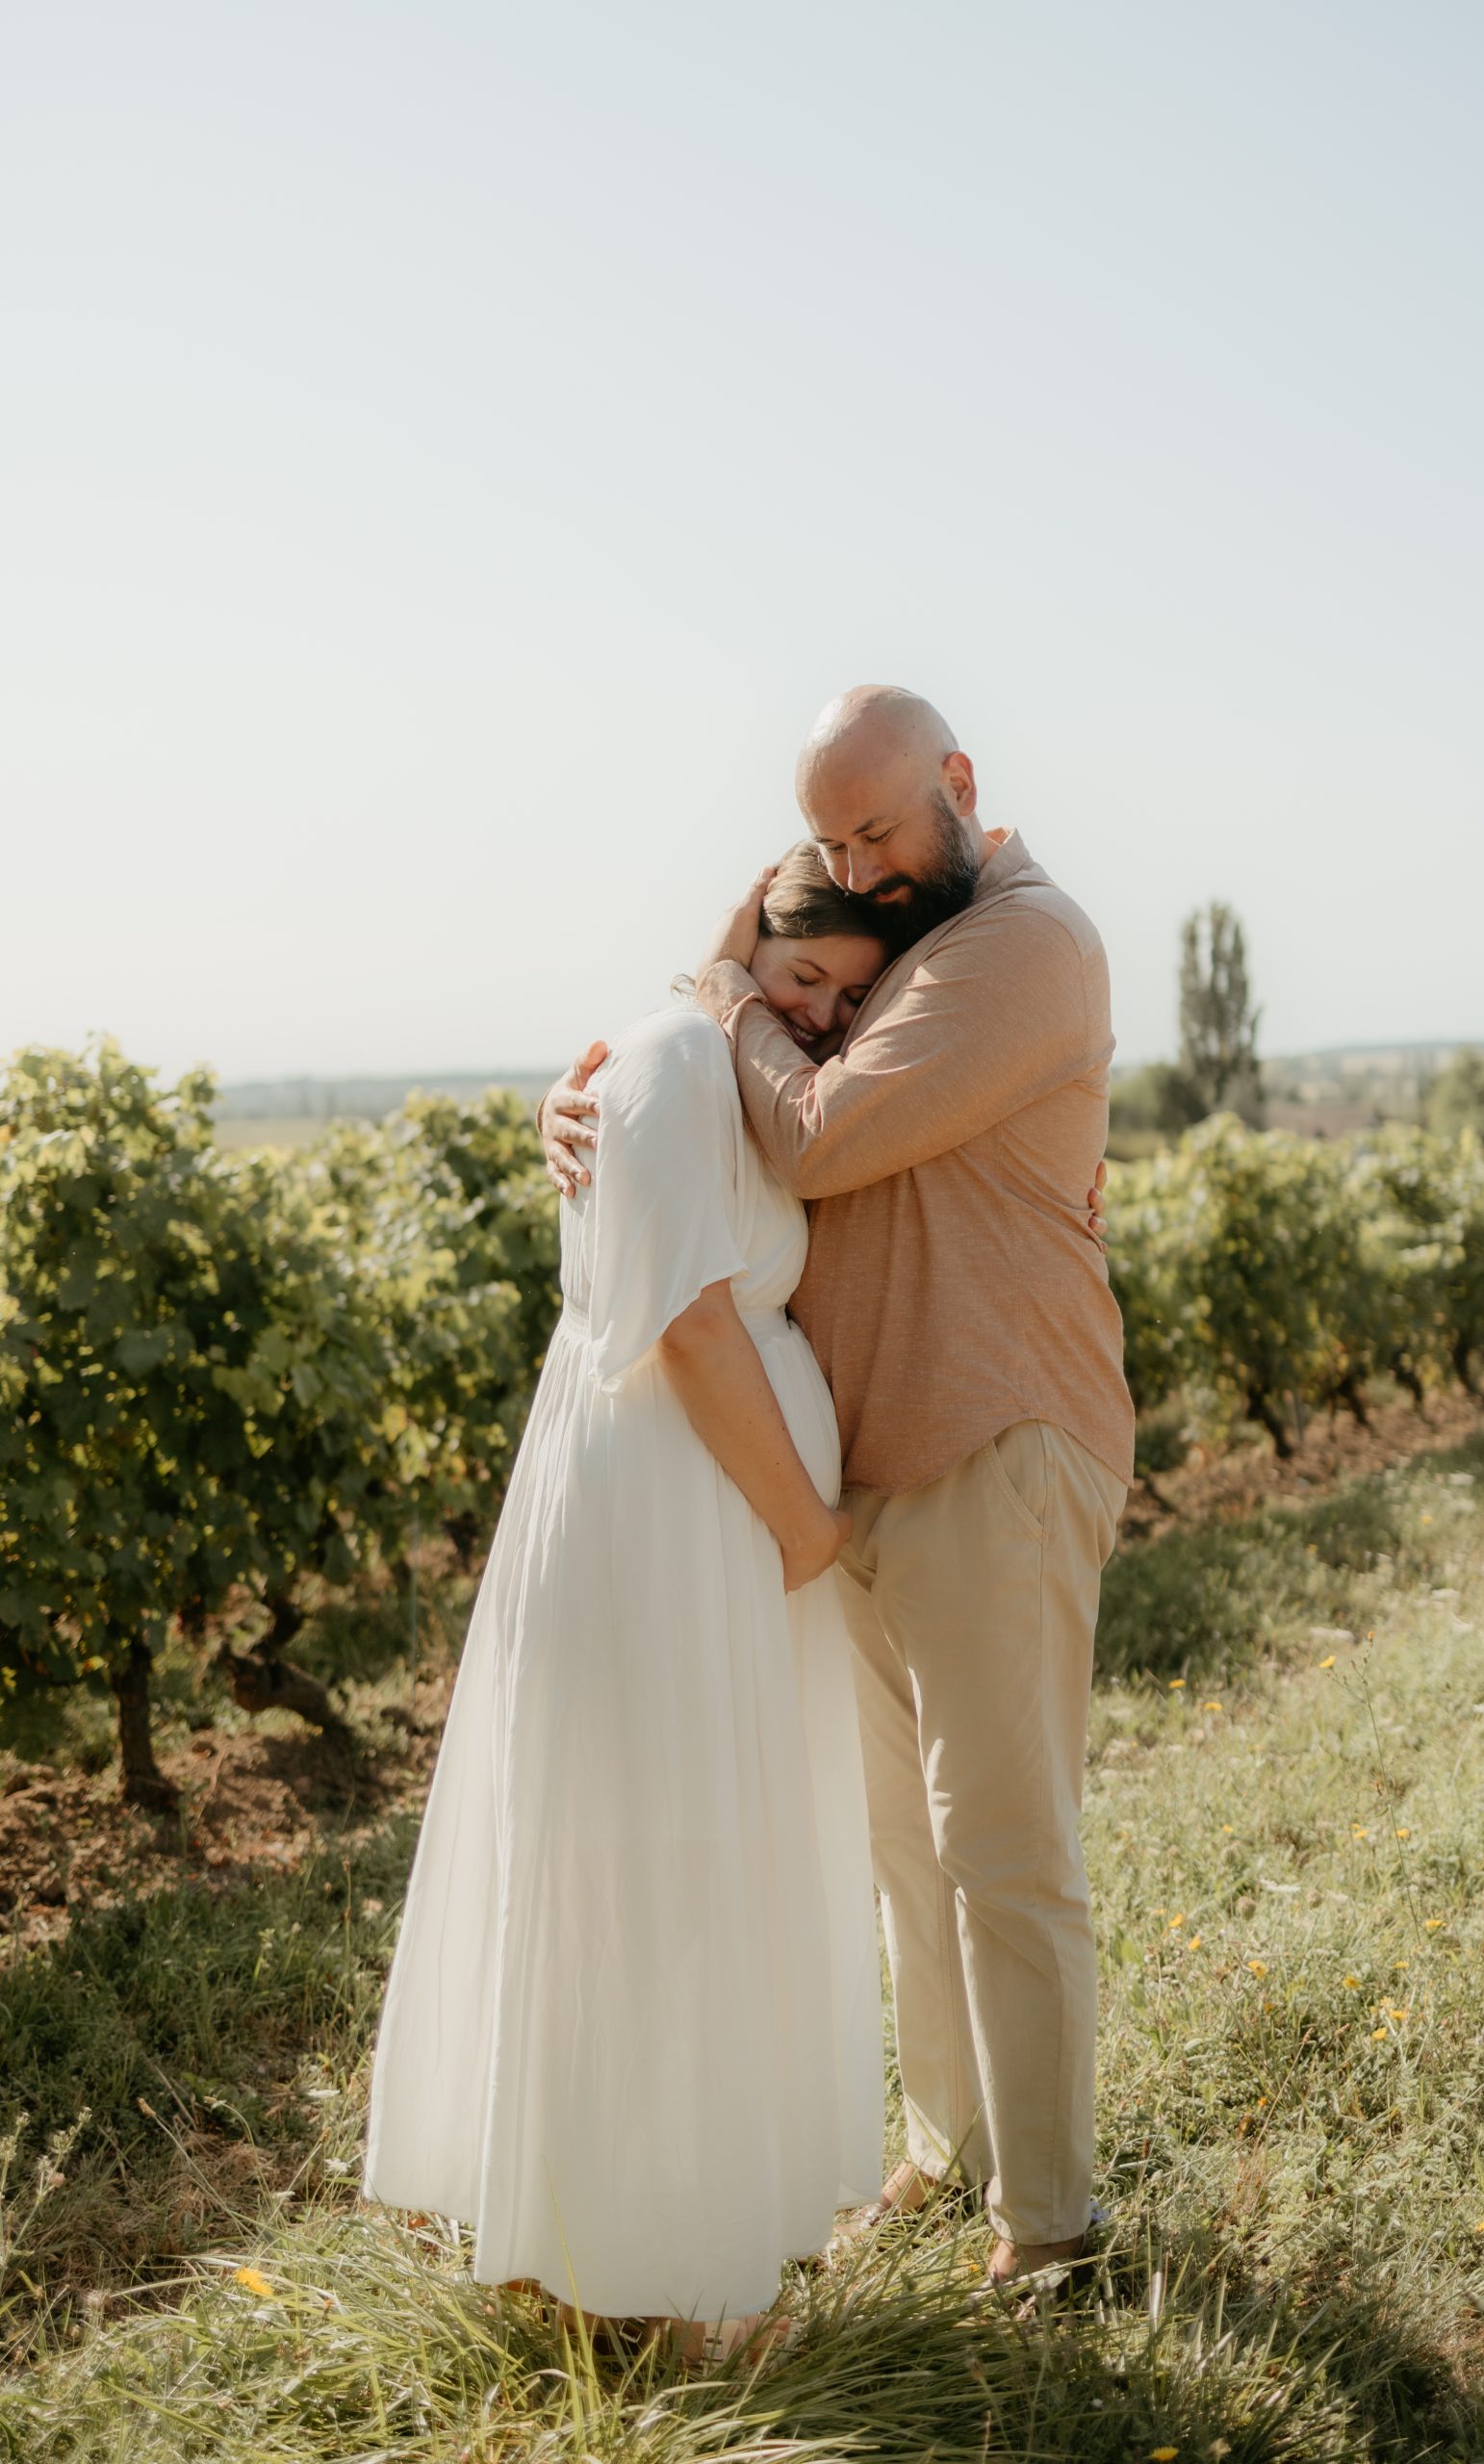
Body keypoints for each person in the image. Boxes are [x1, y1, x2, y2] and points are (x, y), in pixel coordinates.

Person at [541, 686, 1134, 2297]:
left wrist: (720, 999)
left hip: (997, 1434)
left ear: (958, 783)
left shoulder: (1021, 944)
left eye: (878, 831)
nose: (858, 868)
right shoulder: (900, 936)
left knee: (1001, 1843)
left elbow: (812, 1139)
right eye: (830, 842)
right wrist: (610, 1101)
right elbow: (736, 1113)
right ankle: (949, 2156)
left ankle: (1054, 2228)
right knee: (907, 1845)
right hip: (871, 1457)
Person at [364, 843, 901, 2353]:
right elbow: (680, 1322)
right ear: (744, 949)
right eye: (802, 978)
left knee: (699, 1869)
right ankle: (652, 2286)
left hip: (712, 1517)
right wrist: (803, 1524)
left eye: (852, 999)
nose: (821, 1016)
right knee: (654, 1868)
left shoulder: (756, 1087)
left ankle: (648, 2242)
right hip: (681, 1514)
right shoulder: (670, 1058)